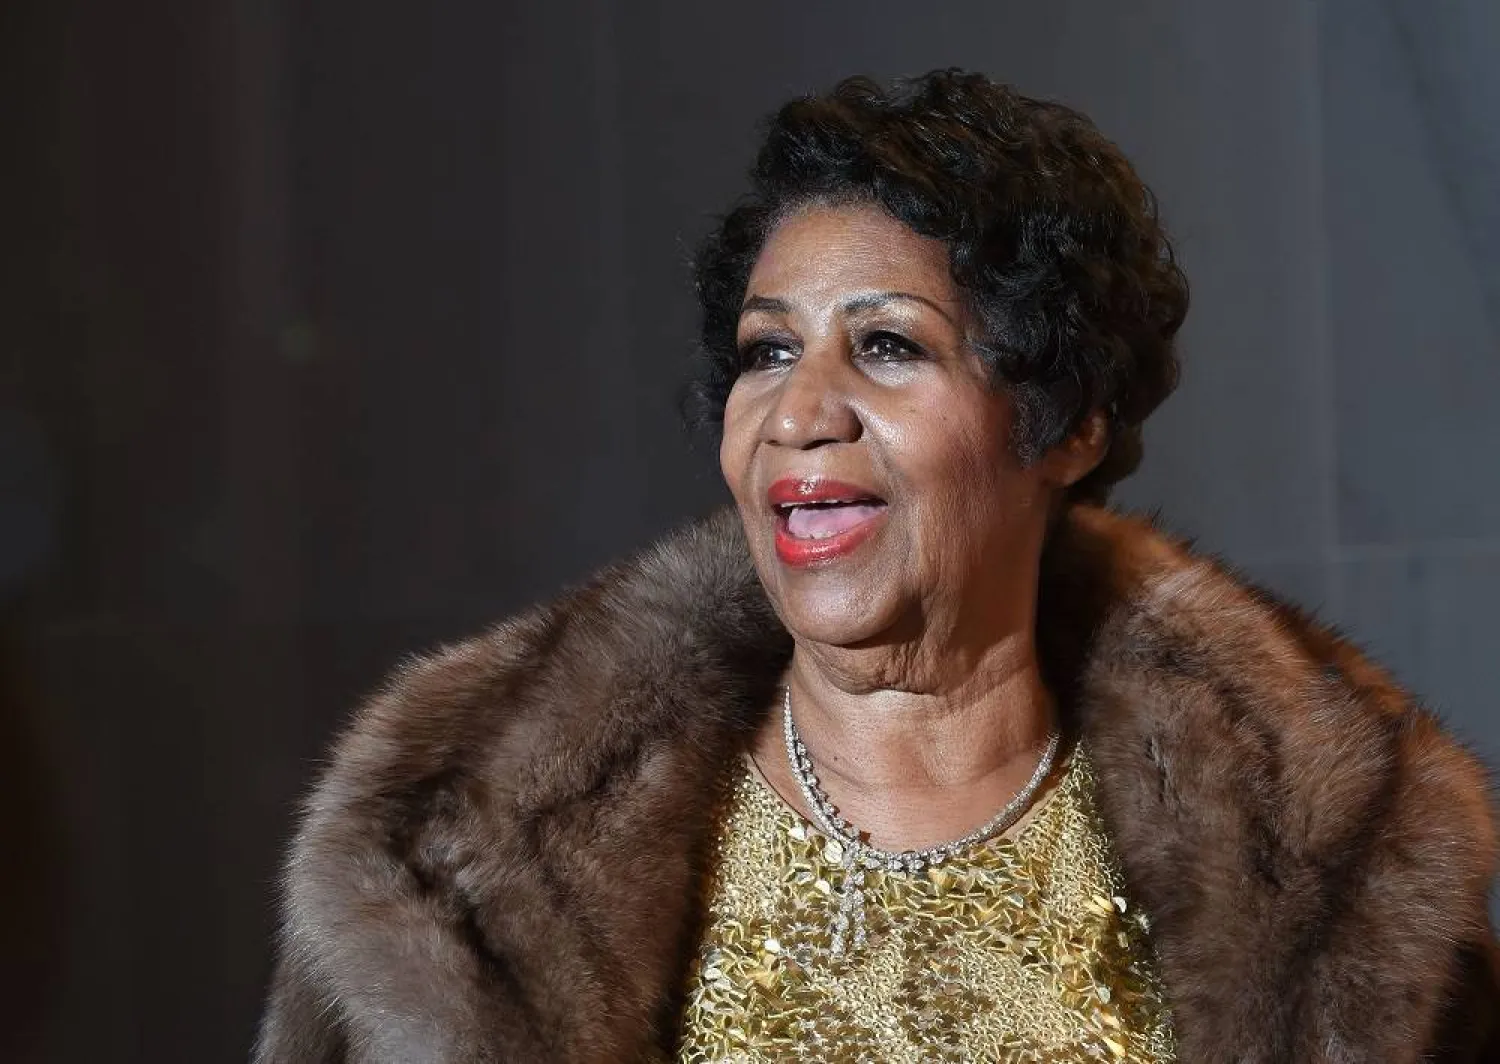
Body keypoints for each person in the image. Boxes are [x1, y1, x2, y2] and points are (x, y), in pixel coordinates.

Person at [254, 70, 1498, 1063]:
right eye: (764, 351)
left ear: (1065, 424)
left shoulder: (1334, 862)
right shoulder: (453, 852)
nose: (801, 412)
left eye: (888, 345)